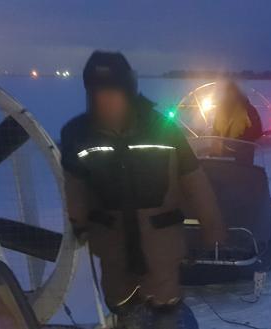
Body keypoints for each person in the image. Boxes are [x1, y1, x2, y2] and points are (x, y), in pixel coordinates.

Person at [60, 51, 227, 328]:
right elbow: (74, 185)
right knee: (121, 301)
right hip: (110, 240)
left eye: (112, 91)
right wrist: (79, 222)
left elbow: (195, 182)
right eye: (97, 92)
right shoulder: (76, 134)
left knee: (165, 305)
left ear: (128, 88)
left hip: (160, 240)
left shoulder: (164, 128)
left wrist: (213, 228)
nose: (106, 99)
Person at [211, 80, 263, 163]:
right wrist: (214, 146)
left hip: (243, 154)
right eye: (228, 93)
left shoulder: (248, 109)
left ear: (238, 94)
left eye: (233, 93)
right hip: (223, 156)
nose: (231, 96)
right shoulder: (220, 110)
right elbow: (215, 130)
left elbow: (258, 130)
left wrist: (242, 139)